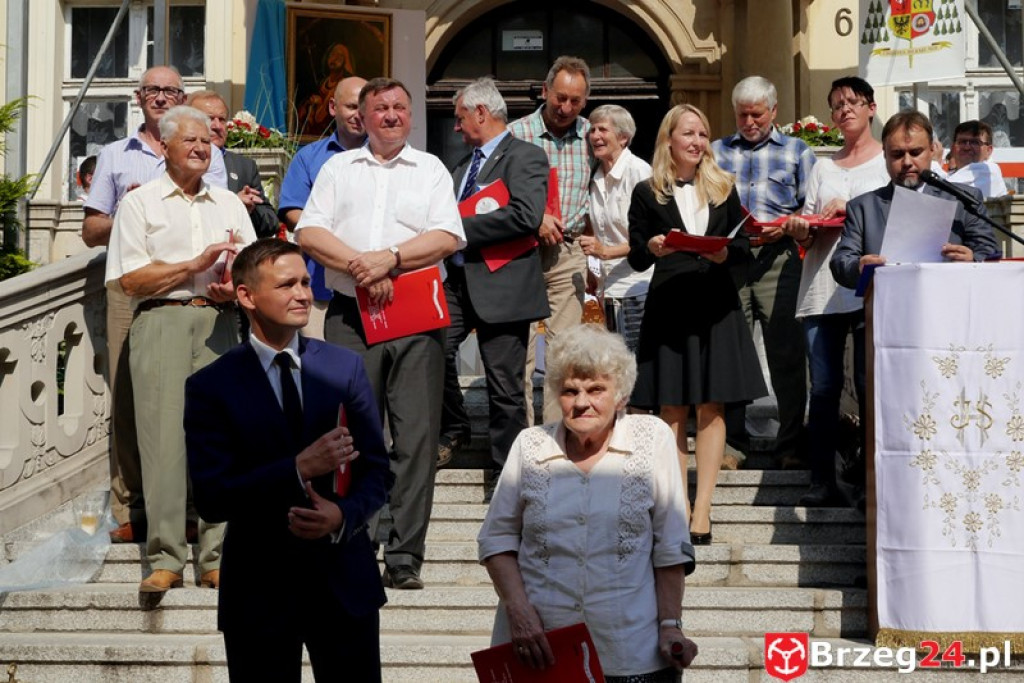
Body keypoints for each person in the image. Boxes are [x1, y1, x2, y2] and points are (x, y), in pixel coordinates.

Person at [184, 239, 392, 682]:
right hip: (259, 590)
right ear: (246, 296)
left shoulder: (344, 367)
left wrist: (342, 515)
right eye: (286, 285)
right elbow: (212, 497)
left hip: (344, 582)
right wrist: (297, 469)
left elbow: (376, 471)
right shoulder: (210, 386)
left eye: (304, 282)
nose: (302, 293)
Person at [296, 78, 466, 590]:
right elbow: (308, 230)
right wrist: (361, 266)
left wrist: (390, 259)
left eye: (399, 107)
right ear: (362, 118)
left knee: (415, 437)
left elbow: (447, 235)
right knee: (353, 435)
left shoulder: (431, 169)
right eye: (380, 108)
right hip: (350, 315)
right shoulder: (337, 167)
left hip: (415, 317)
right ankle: (354, 536)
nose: (390, 115)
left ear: (410, 117)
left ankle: (405, 554)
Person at [478, 324, 698, 682]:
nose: (581, 402)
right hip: (540, 649)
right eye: (570, 391)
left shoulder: (651, 438)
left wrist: (671, 625)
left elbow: (671, 544)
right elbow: (497, 539)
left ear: (621, 396)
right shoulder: (529, 444)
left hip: (630, 648)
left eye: (596, 389)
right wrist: (519, 612)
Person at [104, 105, 256, 600]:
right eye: (189, 140)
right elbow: (130, 278)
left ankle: (216, 557)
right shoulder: (141, 203)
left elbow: (252, 269)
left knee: (221, 441)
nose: (199, 147)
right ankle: (165, 557)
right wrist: (193, 265)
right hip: (161, 320)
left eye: (206, 141)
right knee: (163, 442)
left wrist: (234, 287)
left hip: (219, 322)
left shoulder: (229, 203)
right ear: (164, 147)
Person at [83, 65, 228, 544]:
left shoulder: (209, 149)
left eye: (171, 90)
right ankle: (133, 508)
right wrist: (132, 209)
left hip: (204, 296)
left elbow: (219, 210)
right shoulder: (114, 155)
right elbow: (91, 230)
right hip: (135, 288)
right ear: (138, 96)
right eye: (153, 90)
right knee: (132, 398)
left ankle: (189, 509)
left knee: (202, 408)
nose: (162, 97)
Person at [628, 104, 767, 546]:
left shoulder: (723, 189)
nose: (697, 141)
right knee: (671, 408)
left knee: (712, 406)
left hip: (715, 303)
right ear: (669, 138)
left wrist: (727, 253)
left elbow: (744, 244)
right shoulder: (647, 192)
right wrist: (652, 246)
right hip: (670, 302)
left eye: (704, 134)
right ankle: (678, 506)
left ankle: (703, 507)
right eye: (689, 133)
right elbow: (635, 252)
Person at [780, 77, 889, 507]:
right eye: (836, 105)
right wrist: (800, 230)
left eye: (852, 102)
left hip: (867, 288)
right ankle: (822, 479)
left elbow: (889, 220)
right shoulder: (822, 166)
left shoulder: (886, 163)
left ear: (871, 108)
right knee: (823, 388)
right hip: (823, 285)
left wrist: (852, 210)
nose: (843, 110)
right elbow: (806, 233)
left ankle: (868, 480)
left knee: (869, 385)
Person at [438, 78, 550, 472]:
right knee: (430, 350)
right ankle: (455, 426)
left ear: (480, 113)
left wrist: (458, 232)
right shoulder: (460, 166)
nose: (456, 126)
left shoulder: (526, 156)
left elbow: (526, 215)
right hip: (456, 282)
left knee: (505, 389)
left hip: (504, 286)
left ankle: (510, 477)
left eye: (460, 117)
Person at [711, 76, 814, 472]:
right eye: (742, 114)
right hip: (731, 262)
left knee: (786, 354)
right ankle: (731, 446)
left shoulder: (798, 152)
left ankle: (789, 445)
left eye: (757, 114)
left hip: (780, 259)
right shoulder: (717, 152)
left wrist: (789, 223)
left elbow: (813, 207)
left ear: (773, 111)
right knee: (731, 354)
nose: (750, 121)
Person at [508, 55, 593, 425]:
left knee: (564, 353)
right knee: (520, 352)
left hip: (568, 252)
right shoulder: (514, 134)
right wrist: (534, 217)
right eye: (559, 97)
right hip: (518, 250)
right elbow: (494, 191)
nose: (565, 107)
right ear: (544, 91)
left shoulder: (593, 136)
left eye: (575, 101)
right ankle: (523, 440)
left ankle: (558, 438)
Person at [830, 110, 1000, 290]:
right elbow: (841, 261)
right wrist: (859, 267)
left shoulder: (964, 200)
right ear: (885, 154)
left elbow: (989, 252)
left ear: (932, 150)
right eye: (897, 154)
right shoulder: (863, 207)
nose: (907, 162)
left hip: (950, 306)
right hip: (887, 309)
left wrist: (972, 260)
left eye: (915, 152)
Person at [280, 76, 367, 340]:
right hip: (320, 286)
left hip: (374, 285)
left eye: (365, 108)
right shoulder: (309, 157)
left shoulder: (385, 157)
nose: (359, 115)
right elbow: (291, 210)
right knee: (321, 368)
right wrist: (330, 234)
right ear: (333, 107)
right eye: (352, 107)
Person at [580, 104, 653, 353]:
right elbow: (595, 229)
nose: (595, 136)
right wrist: (593, 270)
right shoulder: (595, 175)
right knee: (615, 365)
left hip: (637, 285)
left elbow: (651, 236)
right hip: (606, 288)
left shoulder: (640, 172)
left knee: (635, 362)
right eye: (592, 130)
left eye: (603, 130)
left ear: (623, 137)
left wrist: (605, 252)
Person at [188, 90, 280, 237]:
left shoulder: (244, 167)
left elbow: (271, 223)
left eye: (222, 119)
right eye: (209, 119)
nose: (217, 126)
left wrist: (249, 208)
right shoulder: (179, 161)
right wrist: (234, 203)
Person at [946, 120, 1009, 199]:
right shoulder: (952, 175)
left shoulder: (989, 170)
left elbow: (942, 190)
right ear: (953, 148)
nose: (967, 147)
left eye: (975, 142)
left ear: (989, 150)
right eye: (962, 142)